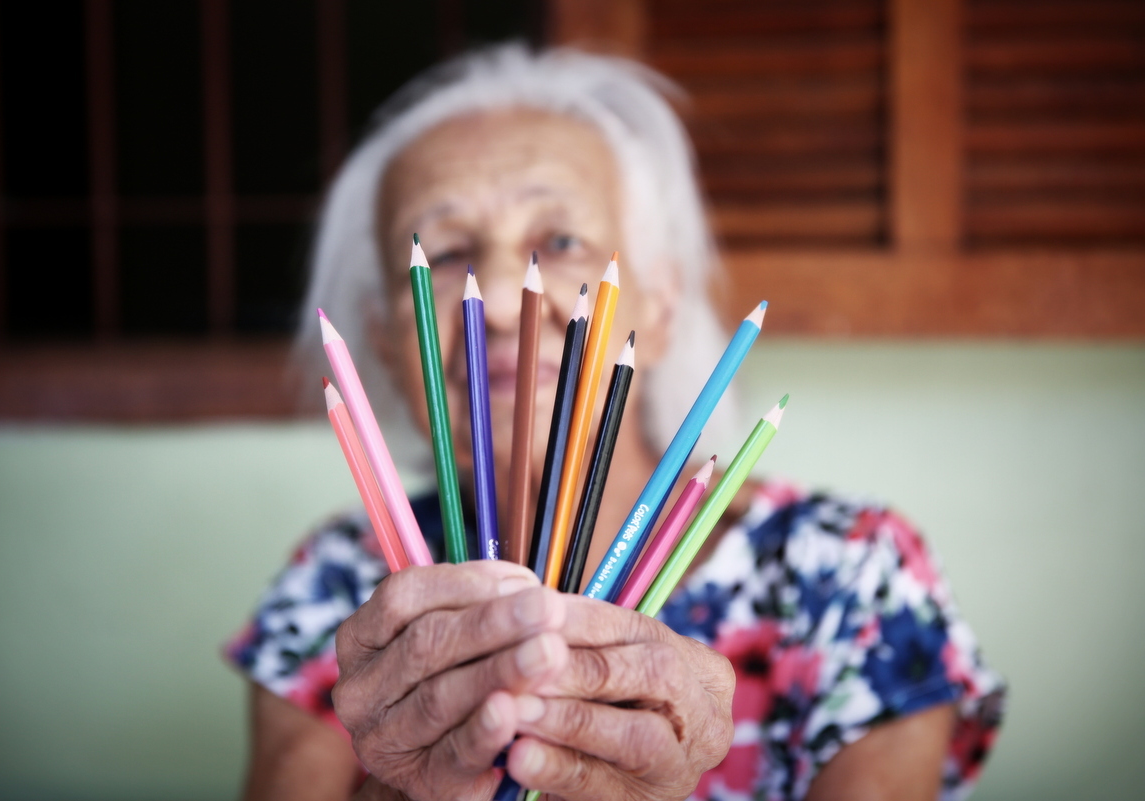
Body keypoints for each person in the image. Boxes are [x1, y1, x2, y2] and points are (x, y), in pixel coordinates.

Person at [226, 44, 1004, 801]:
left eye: (560, 242)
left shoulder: (849, 571)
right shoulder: (340, 584)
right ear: (389, 339)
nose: (499, 301)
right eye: (451, 250)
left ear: (659, 310)